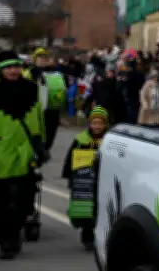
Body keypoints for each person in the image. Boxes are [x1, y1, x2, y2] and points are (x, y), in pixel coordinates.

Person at [0, 50, 47, 260]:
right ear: (0, 70)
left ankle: (13, 235)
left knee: (25, 199)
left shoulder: (32, 89)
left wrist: (40, 144)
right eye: (9, 67)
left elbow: (38, 117)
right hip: (0, 152)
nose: (14, 70)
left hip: (26, 152)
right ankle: (7, 242)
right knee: (2, 201)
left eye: (16, 66)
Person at [61, 106, 109, 250]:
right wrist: (70, 177)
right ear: (90, 124)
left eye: (100, 123)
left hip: (102, 181)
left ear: (105, 124)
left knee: (103, 208)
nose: (97, 126)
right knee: (86, 208)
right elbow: (70, 158)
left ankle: (103, 235)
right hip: (84, 181)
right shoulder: (81, 140)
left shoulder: (109, 141)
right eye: (94, 123)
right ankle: (87, 235)